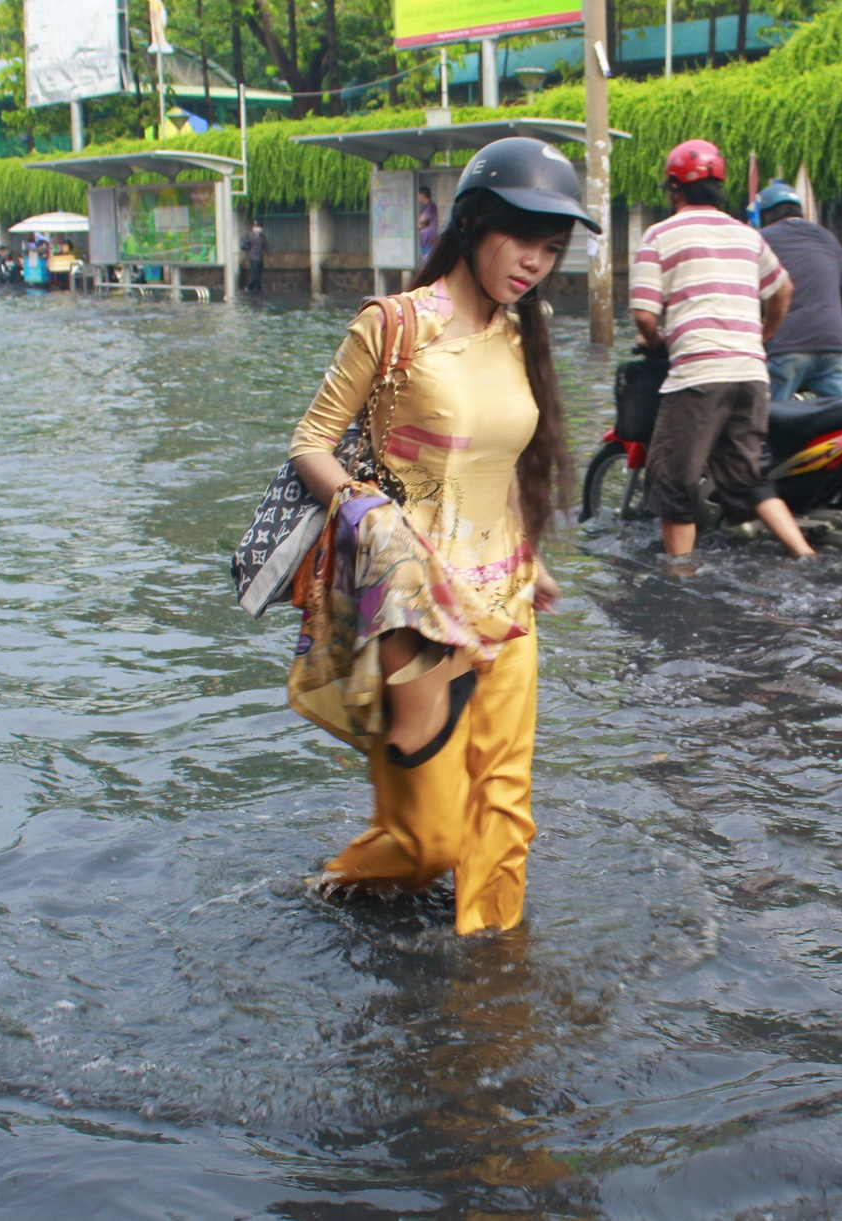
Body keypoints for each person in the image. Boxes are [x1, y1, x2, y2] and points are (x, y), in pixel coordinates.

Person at [287, 136, 594, 935]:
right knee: (430, 838)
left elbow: (503, 458)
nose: (534, 262)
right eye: (520, 238)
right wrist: (364, 512)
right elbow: (310, 443)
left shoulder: (523, 328)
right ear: (471, 223)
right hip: (416, 607)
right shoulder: (394, 326)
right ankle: (336, 885)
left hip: (507, 597)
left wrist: (532, 554)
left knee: (505, 814)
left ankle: (495, 978)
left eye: (550, 248)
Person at [630, 139, 817, 562]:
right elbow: (783, 290)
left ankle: (680, 578)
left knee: (674, 486)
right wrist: (763, 337)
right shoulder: (747, 235)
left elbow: (643, 315)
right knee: (748, 478)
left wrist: (656, 342)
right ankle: (804, 554)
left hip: (698, 377)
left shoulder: (659, 235)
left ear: (674, 188)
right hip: (750, 374)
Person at [756, 181, 842, 400]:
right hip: (835, 344)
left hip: (785, 348)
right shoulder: (825, 236)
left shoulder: (761, 238)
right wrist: (833, 317)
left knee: (767, 418)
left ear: (765, 215)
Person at [240, 220, 267, 291]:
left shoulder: (262, 237)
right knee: (255, 274)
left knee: (259, 273)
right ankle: (255, 288)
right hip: (253, 257)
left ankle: (250, 287)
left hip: (260, 258)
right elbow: (245, 245)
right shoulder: (249, 236)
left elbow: (266, 246)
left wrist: (269, 255)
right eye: (256, 226)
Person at [416, 184, 439, 261]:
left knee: (429, 264)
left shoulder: (431, 206)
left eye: (419, 194)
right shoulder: (425, 207)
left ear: (422, 195)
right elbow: (420, 224)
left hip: (429, 242)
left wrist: (422, 223)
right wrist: (422, 223)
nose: (418, 197)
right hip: (424, 242)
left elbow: (421, 223)